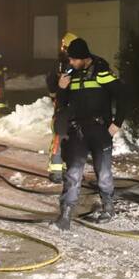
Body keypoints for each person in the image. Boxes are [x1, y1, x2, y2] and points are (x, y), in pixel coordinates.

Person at [52, 37, 128, 230]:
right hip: (78, 131)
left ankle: (108, 207)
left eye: (73, 59)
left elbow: (124, 95)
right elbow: (62, 104)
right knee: (73, 173)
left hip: (100, 130)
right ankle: (66, 213)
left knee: (103, 172)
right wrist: (61, 89)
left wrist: (116, 123)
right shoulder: (72, 75)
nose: (70, 63)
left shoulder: (102, 73)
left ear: (84, 58)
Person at [45, 32, 79, 183]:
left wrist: (55, 96)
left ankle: (57, 172)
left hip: (63, 109)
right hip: (77, 108)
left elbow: (51, 83)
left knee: (59, 137)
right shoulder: (82, 64)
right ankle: (70, 171)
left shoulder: (59, 65)